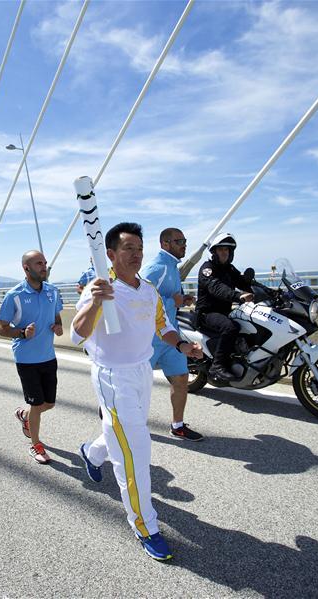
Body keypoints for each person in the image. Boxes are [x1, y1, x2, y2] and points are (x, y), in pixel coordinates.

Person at [71, 222, 203, 561]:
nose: (137, 253)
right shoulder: (98, 288)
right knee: (135, 452)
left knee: (124, 436)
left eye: (139, 248)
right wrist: (96, 302)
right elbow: (77, 334)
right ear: (110, 255)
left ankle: (92, 451)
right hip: (112, 377)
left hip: (142, 372)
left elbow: (163, 326)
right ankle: (144, 525)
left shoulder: (147, 290)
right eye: (128, 248)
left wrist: (183, 345)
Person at [0, 250, 63, 464]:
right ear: (26, 268)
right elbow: (2, 328)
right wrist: (22, 332)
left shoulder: (52, 291)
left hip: (48, 356)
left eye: (44, 262)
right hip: (27, 359)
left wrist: (58, 325)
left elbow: (56, 313)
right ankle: (35, 445)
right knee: (37, 405)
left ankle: (25, 416)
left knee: (49, 404)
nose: (44, 266)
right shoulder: (14, 296)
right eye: (38, 263)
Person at [139, 228, 204, 441]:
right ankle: (117, 419)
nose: (184, 244)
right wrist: (172, 302)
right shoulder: (155, 268)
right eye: (179, 241)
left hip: (170, 335)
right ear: (165, 244)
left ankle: (177, 426)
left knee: (181, 378)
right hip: (148, 339)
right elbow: (139, 300)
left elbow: (165, 297)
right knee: (136, 386)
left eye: (185, 240)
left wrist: (181, 300)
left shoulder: (172, 267)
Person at [195, 232, 254, 381]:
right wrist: (238, 296)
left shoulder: (229, 268)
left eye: (227, 250)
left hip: (224, 312)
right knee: (230, 327)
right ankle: (218, 366)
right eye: (221, 249)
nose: (224, 252)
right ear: (214, 252)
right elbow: (216, 287)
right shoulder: (207, 268)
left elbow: (243, 283)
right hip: (206, 314)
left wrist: (273, 293)